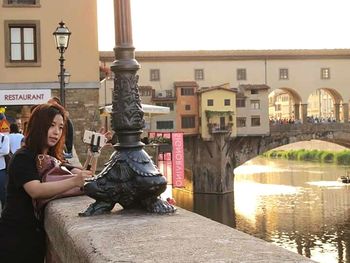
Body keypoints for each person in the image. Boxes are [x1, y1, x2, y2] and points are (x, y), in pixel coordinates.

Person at [0, 103, 92, 263]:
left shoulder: (52, 158)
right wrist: (74, 181)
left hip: (35, 236)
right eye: (51, 125)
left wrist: (94, 153)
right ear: (38, 126)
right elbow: (36, 190)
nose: (56, 132)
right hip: (15, 236)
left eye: (61, 127)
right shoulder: (24, 156)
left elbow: (85, 175)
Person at [0, 132, 9, 210]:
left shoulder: (4, 138)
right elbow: (2, 151)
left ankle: (3, 216)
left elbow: (6, 151)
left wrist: (2, 150)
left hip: (1, 170)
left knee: (3, 194)